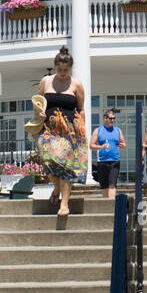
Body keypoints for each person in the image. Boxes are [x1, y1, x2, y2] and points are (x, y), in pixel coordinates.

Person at [33, 45, 89, 216]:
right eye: (60, 69)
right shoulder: (46, 81)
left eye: (66, 69)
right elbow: (38, 102)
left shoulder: (76, 85)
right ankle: (57, 187)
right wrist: (39, 112)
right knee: (46, 159)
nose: (63, 72)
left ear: (70, 68)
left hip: (68, 130)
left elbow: (81, 109)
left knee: (65, 166)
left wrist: (82, 126)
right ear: (55, 66)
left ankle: (64, 204)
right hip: (49, 129)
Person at [91, 108, 127, 199]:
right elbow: (91, 146)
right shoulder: (98, 130)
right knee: (104, 186)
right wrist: (101, 147)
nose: (112, 120)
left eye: (113, 118)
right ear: (105, 118)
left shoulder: (117, 130)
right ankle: (106, 205)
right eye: (110, 118)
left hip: (114, 161)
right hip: (102, 161)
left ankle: (111, 205)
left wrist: (121, 145)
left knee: (112, 184)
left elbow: (124, 144)